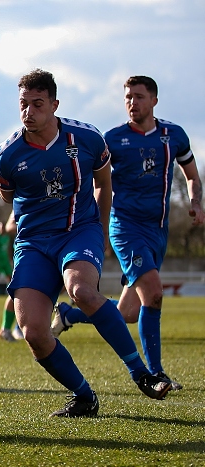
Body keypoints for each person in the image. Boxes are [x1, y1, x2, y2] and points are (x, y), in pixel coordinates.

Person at [0, 69, 171, 418]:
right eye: (23, 105)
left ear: (55, 104)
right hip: (32, 243)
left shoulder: (87, 138)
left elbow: (103, 184)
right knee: (33, 332)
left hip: (79, 230)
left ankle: (141, 374)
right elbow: (7, 197)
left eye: (38, 104)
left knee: (82, 292)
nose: (29, 112)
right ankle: (84, 396)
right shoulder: (7, 155)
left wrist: (100, 231)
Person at [51, 76, 204, 391]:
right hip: (125, 227)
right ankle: (156, 373)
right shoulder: (114, 139)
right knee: (154, 293)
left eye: (139, 96)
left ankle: (69, 316)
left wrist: (196, 202)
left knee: (128, 313)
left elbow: (191, 174)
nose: (132, 102)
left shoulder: (173, 135)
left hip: (158, 230)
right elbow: (93, 180)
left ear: (154, 101)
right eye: (128, 97)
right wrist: (94, 224)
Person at [0, 212, 23, 342]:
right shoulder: (25, 196)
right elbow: (10, 226)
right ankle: (7, 328)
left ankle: (22, 327)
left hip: (51, 248)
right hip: (28, 250)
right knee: (18, 290)